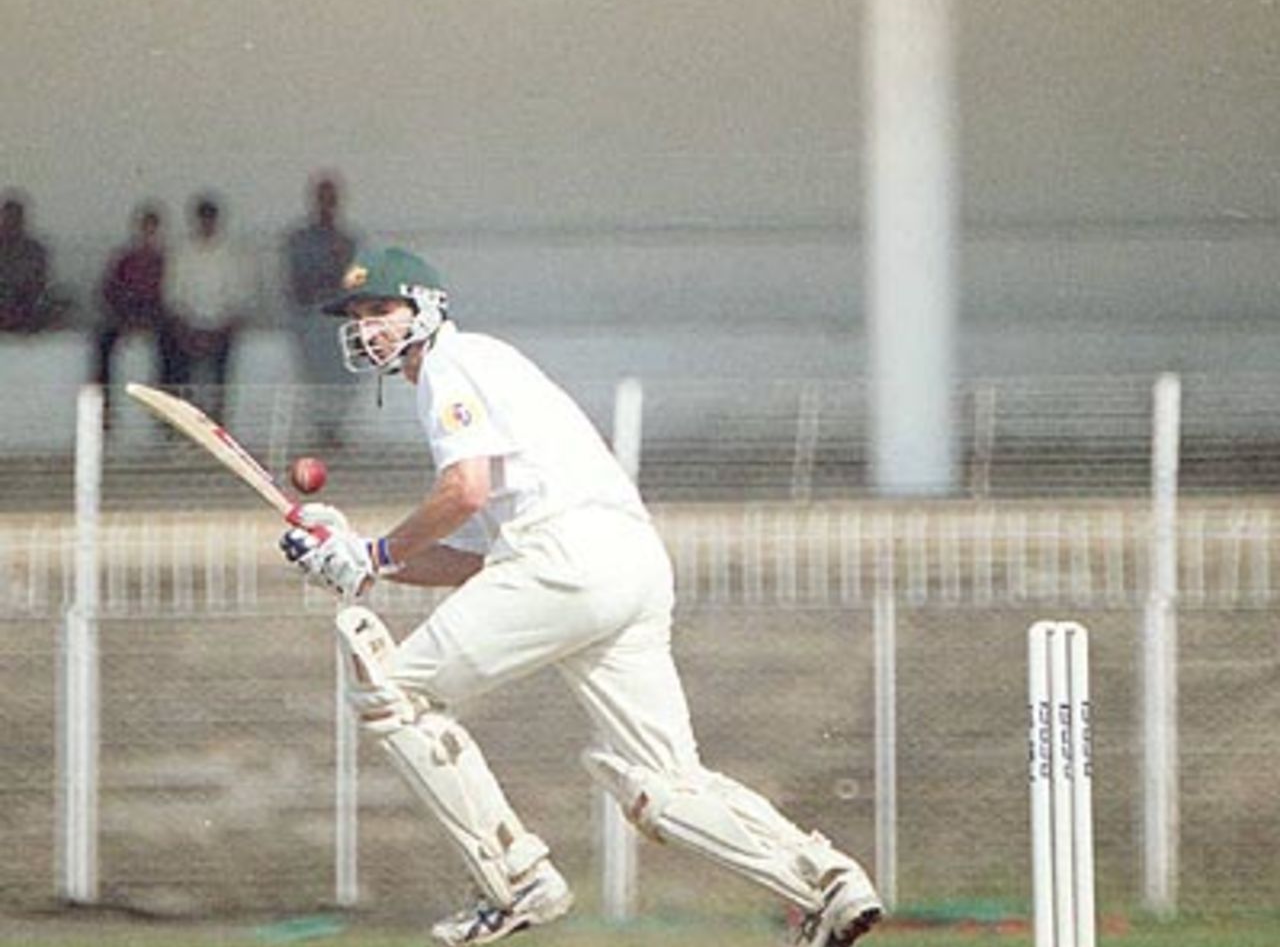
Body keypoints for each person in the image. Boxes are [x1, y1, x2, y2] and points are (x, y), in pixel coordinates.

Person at [278, 247, 882, 947]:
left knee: (390, 692)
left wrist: (373, 554)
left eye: (381, 310)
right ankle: (826, 881)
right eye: (357, 317)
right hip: (628, 564)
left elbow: (464, 493)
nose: (368, 329)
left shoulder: (450, 363)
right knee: (665, 784)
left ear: (427, 308)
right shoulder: (487, 368)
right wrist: (361, 560)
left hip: (563, 558)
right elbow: (475, 556)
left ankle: (513, 878)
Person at [283, 172, 359, 446]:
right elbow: (294, 279)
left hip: (338, 318)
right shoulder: (298, 239)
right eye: (323, 198)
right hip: (310, 317)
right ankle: (317, 429)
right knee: (312, 375)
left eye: (332, 199)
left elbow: (354, 279)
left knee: (342, 376)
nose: (327, 204)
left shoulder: (349, 240)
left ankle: (335, 428)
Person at [164, 193, 251, 423]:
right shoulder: (181, 251)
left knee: (219, 380)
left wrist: (221, 327)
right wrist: (186, 328)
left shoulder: (233, 253)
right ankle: (180, 428)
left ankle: (219, 426)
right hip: (187, 328)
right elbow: (173, 294)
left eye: (210, 218)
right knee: (180, 376)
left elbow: (240, 295)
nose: (206, 223)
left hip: (222, 327)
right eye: (202, 218)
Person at [93, 203, 173, 427]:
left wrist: (150, 318)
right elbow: (109, 290)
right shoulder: (125, 259)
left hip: (156, 317)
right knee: (103, 342)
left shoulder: (166, 259)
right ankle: (105, 407)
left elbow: (171, 294)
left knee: (172, 350)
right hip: (126, 315)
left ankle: (166, 413)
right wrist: (126, 318)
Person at [0, 191, 52, 333]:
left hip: (23, 307)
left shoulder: (35, 250)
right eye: (7, 217)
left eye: (16, 218)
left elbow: (39, 283)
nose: (11, 222)